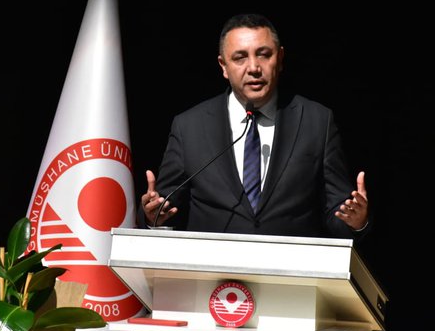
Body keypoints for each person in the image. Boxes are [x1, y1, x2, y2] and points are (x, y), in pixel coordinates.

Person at [140, 13, 370, 239]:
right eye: (240, 57)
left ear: (280, 58)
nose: (253, 67)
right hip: (214, 263)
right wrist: (153, 217)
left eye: (264, 55)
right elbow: (167, 209)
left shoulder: (317, 121)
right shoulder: (189, 126)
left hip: (290, 263)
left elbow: (337, 210)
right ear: (223, 66)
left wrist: (355, 222)